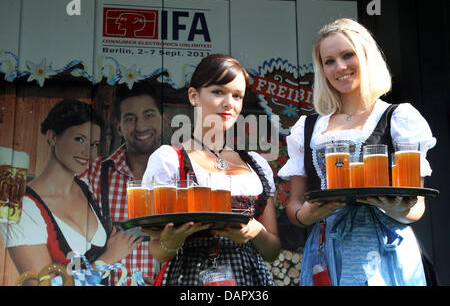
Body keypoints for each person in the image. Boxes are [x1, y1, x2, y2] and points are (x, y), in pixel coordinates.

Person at [278, 18, 436, 286]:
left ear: (366, 57)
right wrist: (307, 215)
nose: (340, 67)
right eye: (329, 61)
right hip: (326, 250)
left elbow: (417, 206)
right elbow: (294, 206)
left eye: (347, 55)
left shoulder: (399, 118)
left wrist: (395, 208)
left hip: (385, 252)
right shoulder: (307, 128)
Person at [142, 54, 281, 286]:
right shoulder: (169, 160)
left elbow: (272, 251)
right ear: (194, 96)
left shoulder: (256, 164)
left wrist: (255, 231)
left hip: (249, 280)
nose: (229, 103)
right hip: (190, 278)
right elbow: (158, 251)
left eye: (237, 96)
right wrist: (173, 240)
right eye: (218, 92)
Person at [0, 99, 142, 285]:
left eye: (93, 144)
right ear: (52, 137)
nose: (87, 152)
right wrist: (108, 259)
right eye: (79, 139)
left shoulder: (87, 187)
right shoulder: (23, 209)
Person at [88, 81, 167, 285]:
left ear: (163, 120)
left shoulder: (183, 177)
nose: (140, 126)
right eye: (130, 119)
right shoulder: (94, 174)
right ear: (119, 127)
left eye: (148, 115)